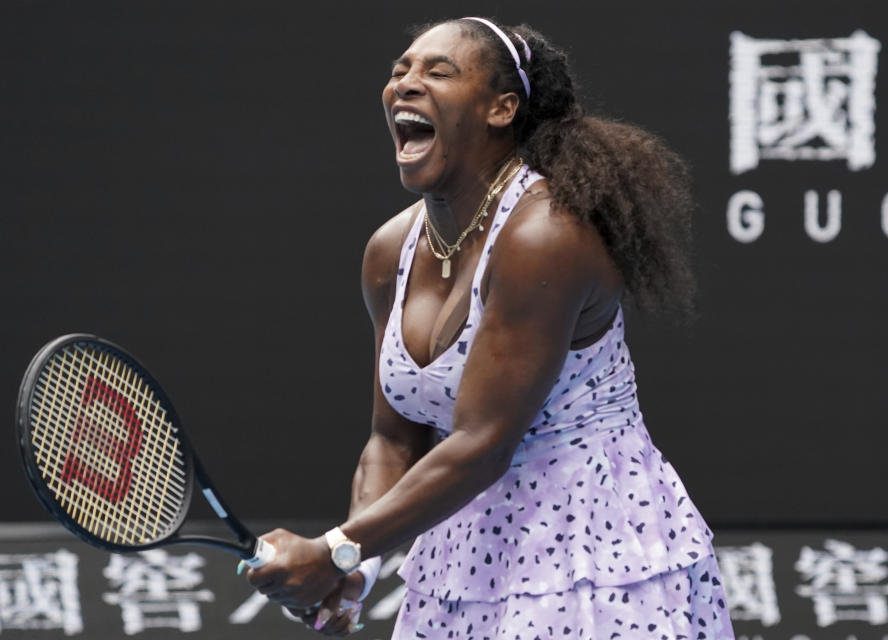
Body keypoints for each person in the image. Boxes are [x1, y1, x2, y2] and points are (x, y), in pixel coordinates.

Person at [245, 17, 735, 639]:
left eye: (437, 72)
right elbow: (393, 441)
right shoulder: (389, 251)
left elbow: (482, 443)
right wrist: (358, 570)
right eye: (400, 72)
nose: (406, 85)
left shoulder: (545, 235)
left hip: (592, 551)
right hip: (460, 552)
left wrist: (338, 548)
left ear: (501, 108)